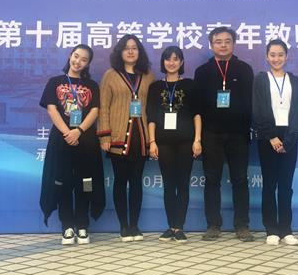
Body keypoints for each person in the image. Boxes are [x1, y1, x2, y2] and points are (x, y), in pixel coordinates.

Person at [39, 44, 105, 245]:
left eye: (84, 59)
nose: (78, 61)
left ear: (88, 63)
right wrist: (67, 132)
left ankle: (83, 225)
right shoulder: (55, 82)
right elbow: (52, 109)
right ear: (70, 56)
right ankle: (67, 225)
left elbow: (95, 111)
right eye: (76, 56)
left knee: (85, 183)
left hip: (86, 140)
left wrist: (79, 131)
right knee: (63, 182)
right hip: (61, 140)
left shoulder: (92, 85)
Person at [194, 26, 254, 241]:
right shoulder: (202, 71)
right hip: (211, 133)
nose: (223, 45)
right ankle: (213, 225)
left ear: (234, 44)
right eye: (218, 41)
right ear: (211, 45)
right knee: (212, 180)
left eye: (227, 41)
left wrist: (246, 130)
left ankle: (242, 225)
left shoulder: (244, 69)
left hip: (238, 134)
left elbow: (250, 103)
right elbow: (198, 106)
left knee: (240, 180)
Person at [97, 34, 155, 242]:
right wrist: (105, 136)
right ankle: (123, 226)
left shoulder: (148, 76)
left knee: (136, 182)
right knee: (120, 181)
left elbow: (152, 108)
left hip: (141, 137)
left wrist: (152, 140)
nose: (131, 51)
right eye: (126, 48)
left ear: (140, 52)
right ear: (120, 52)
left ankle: (135, 225)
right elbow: (103, 107)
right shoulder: (110, 75)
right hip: (118, 137)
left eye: (134, 48)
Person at [147, 46, 202, 243]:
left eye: (176, 59)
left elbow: (196, 114)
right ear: (163, 62)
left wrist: (197, 140)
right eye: (168, 59)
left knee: (183, 184)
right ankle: (171, 226)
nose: (172, 63)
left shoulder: (190, 85)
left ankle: (180, 227)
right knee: (169, 185)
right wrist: (152, 142)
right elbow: (151, 117)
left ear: (181, 62)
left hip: (186, 142)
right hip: (163, 143)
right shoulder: (155, 87)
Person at [252, 39, 298, 246]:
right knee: (269, 185)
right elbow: (258, 110)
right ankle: (271, 230)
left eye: (280, 54)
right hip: (268, 137)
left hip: (289, 137)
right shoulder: (261, 80)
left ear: (286, 56)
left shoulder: (295, 81)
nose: (276, 58)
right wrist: (272, 136)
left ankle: (286, 230)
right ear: (267, 57)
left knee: (286, 186)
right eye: (272, 55)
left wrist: (288, 140)